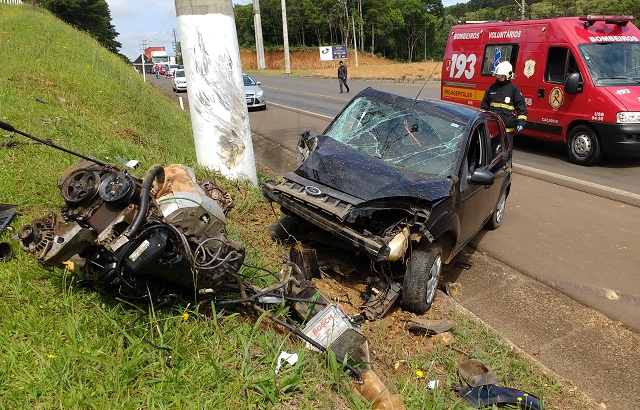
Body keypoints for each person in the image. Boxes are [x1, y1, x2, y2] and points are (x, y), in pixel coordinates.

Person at [480, 61, 527, 148]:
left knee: (505, 154)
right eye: (498, 75)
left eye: (501, 75)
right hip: (493, 128)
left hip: (507, 130)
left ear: (507, 75)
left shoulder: (513, 89)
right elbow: (484, 107)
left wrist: (521, 122)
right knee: (492, 153)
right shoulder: (492, 88)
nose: (499, 77)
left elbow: (521, 107)